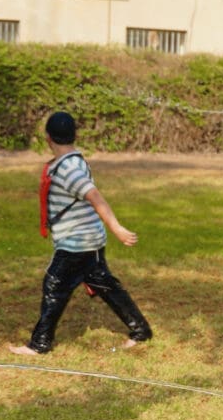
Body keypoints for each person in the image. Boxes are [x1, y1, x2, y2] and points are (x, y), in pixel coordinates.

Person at [10, 111, 153, 355]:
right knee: (104, 284)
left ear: (47, 138)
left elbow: (95, 197)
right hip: (89, 239)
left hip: (77, 242)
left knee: (54, 285)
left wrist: (117, 228)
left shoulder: (68, 169)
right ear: (74, 135)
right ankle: (141, 331)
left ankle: (39, 344)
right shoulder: (73, 161)